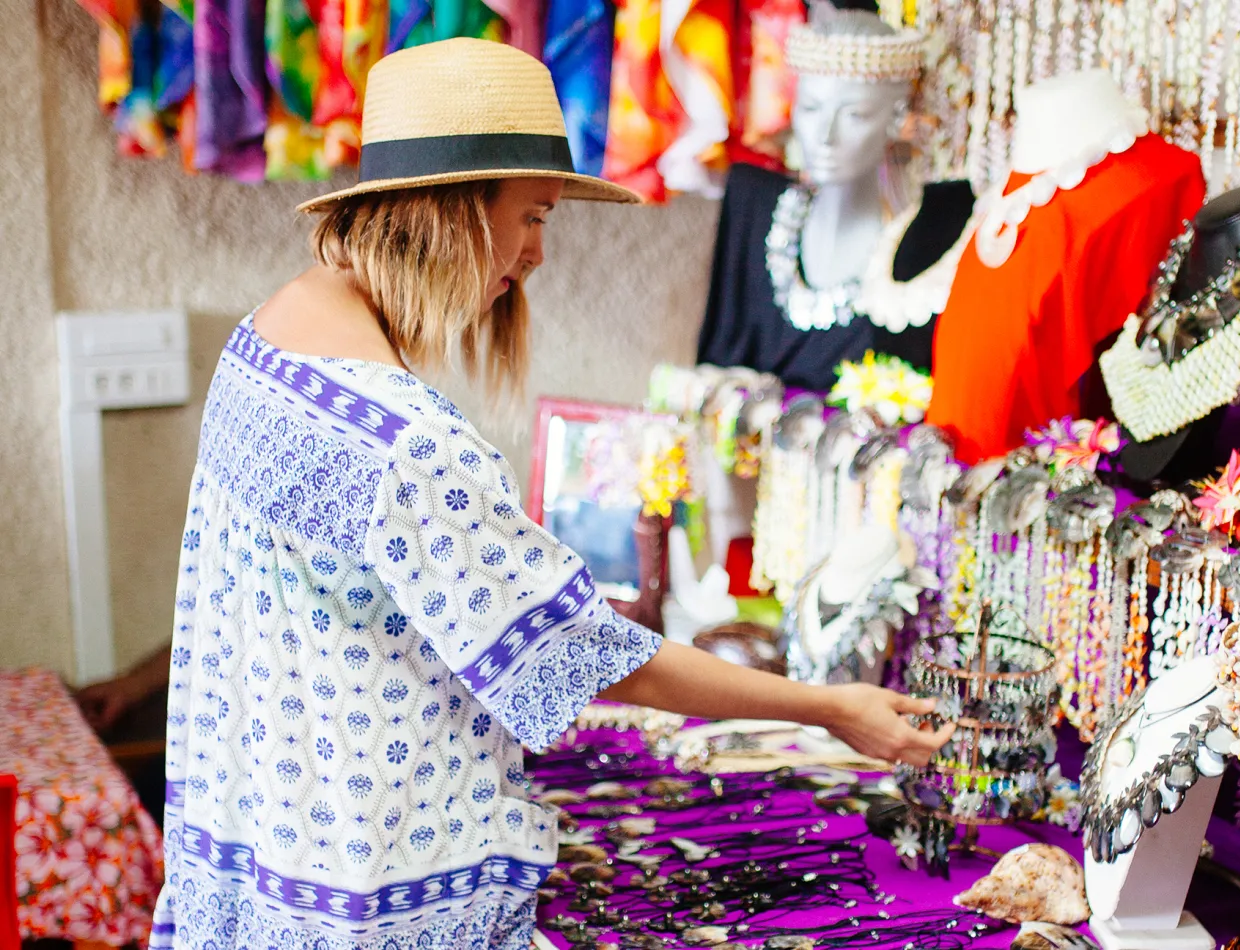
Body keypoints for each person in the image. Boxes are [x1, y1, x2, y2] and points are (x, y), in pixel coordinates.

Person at [149, 38, 951, 950]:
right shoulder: (405, 441)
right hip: (379, 893)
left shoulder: (265, 343)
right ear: (452, 209)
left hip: (267, 859)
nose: (534, 254)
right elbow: (591, 655)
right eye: (531, 216)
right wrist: (828, 706)